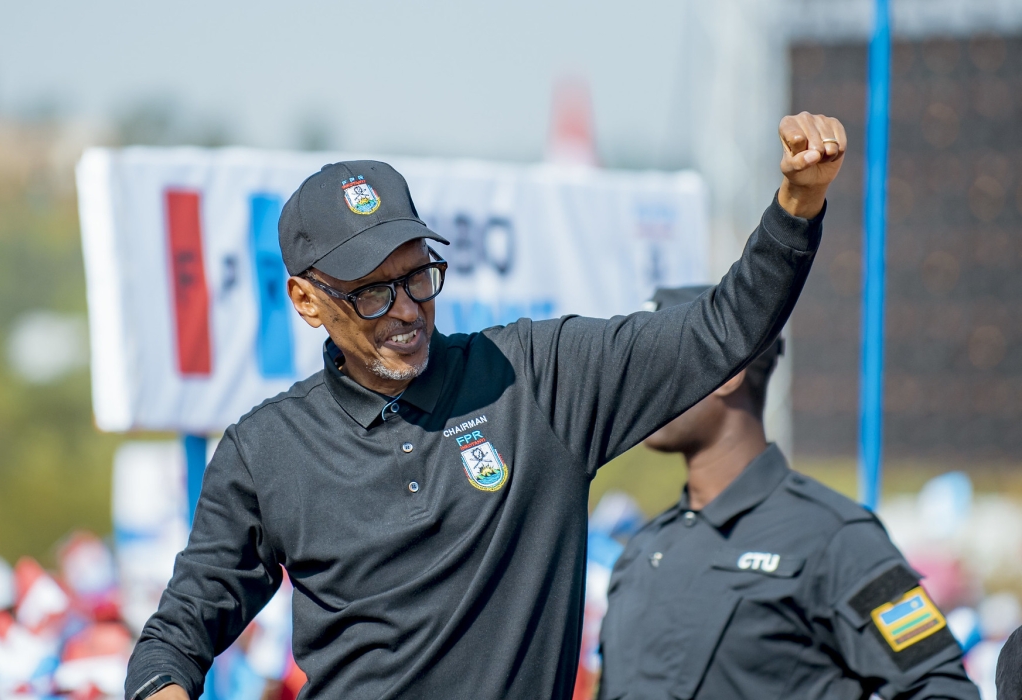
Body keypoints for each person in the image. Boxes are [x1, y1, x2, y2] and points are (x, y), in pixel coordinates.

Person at [125, 112, 845, 700]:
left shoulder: (536, 378)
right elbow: (175, 638)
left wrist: (798, 206)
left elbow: (720, 332)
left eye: (418, 277)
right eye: (371, 292)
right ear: (306, 301)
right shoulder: (265, 450)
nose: (406, 309)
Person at [597, 286, 979, 700]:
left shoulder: (837, 539)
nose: (637, 384)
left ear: (729, 373)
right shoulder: (642, 549)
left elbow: (941, 689)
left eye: (658, 360)